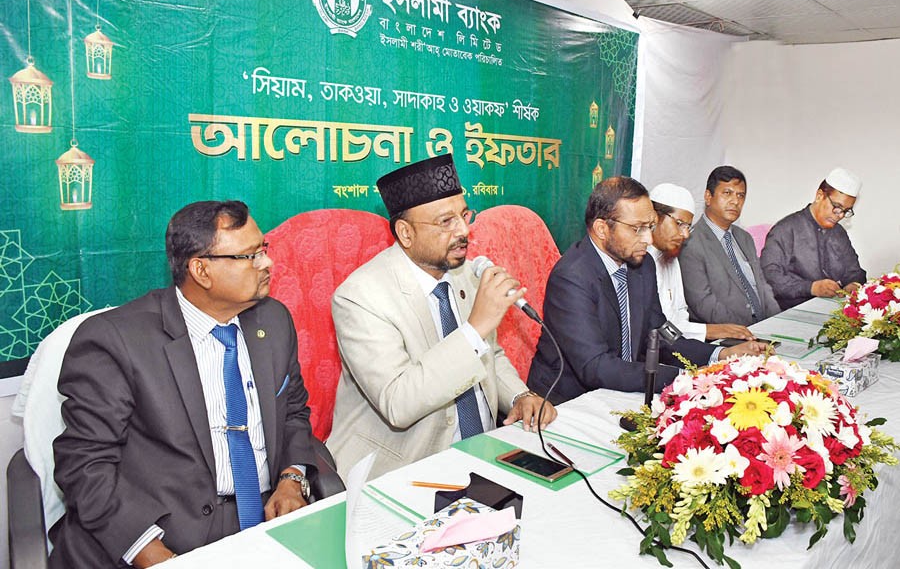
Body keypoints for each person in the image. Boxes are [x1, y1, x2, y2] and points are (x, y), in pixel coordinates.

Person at [51, 201, 318, 568]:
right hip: (159, 530)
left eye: (264, 249)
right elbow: (84, 462)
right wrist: (153, 555)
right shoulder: (115, 340)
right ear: (201, 270)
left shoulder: (273, 320)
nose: (267, 263)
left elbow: (293, 413)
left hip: (261, 520)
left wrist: (291, 478)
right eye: (250, 256)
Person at [328, 154, 556, 480]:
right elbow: (398, 403)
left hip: (484, 452)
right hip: (402, 468)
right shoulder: (361, 296)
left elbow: (490, 354)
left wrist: (519, 396)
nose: (464, 230)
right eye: (446, 222)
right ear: (405, 233)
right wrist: (475, 328)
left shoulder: (465, 273)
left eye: (464, 215)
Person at [527, 177, 766, 404]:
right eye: (638, 228)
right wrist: (683, 377)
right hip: (568, 402)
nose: (648, 239)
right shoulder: (572, 277)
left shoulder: (642, 265)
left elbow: (660, 336)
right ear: (602, 228)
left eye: (650, 227)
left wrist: (720, 355)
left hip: (623, 386)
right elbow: (596, 366)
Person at [648, 183, 756, 342]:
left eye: (688, 227)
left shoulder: (671, 258)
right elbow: (658, 327)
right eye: (679, 223)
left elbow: (680, 314)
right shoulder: (640, 261)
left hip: (677, 344)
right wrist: (710, 330)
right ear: (654, 218)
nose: (685, 234)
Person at [680, 166, 780, 326]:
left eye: (741, 195)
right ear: (708, 197)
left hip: (762, 327)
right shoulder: (690, 243)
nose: (735, 201)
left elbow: (762, 286)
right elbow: (703, 304)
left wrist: (777, 322)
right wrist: (749, 329)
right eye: (727, 193)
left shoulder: (745, 238)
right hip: (727, 333)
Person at [761, 167, 866, 310]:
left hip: (833, 310)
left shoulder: (839, 233)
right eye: (837, 207)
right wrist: (811, 288)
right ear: (819, 196)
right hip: (793, 312)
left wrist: (853, 284)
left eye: (846, 211)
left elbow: (855, 271)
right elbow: (769, 278)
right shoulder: (785, 229)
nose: (840, 215)